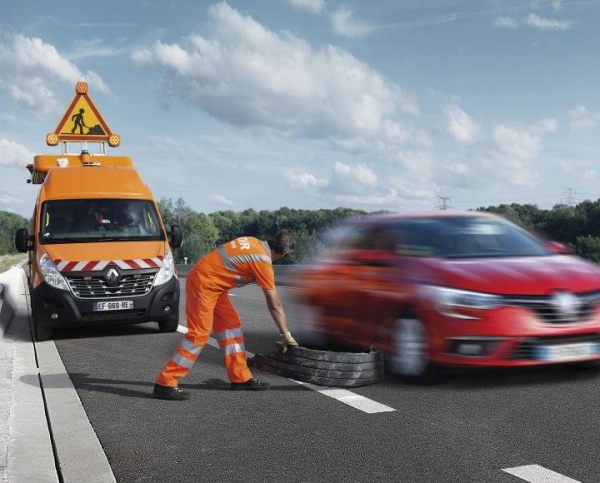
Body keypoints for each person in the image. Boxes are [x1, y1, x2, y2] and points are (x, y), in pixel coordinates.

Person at [152, 229, 299, 400]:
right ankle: (165, 382)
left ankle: (240, 378)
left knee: (231, 327)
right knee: (199, 334)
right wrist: (285, 334)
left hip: (213, 284)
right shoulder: (262, 261)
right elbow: (274, 304)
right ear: (284, 253)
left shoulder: (253, 241)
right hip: (204, 284)